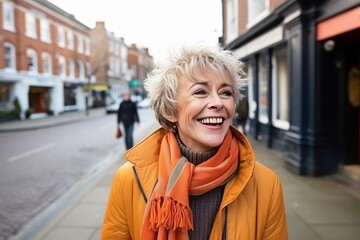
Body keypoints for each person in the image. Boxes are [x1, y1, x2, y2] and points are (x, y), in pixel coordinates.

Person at [102, 44, 288, 240]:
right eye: (200, 92)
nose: (218, 102)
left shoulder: (266, 184)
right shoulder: (128, 179)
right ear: (170, 110)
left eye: (226, 92)